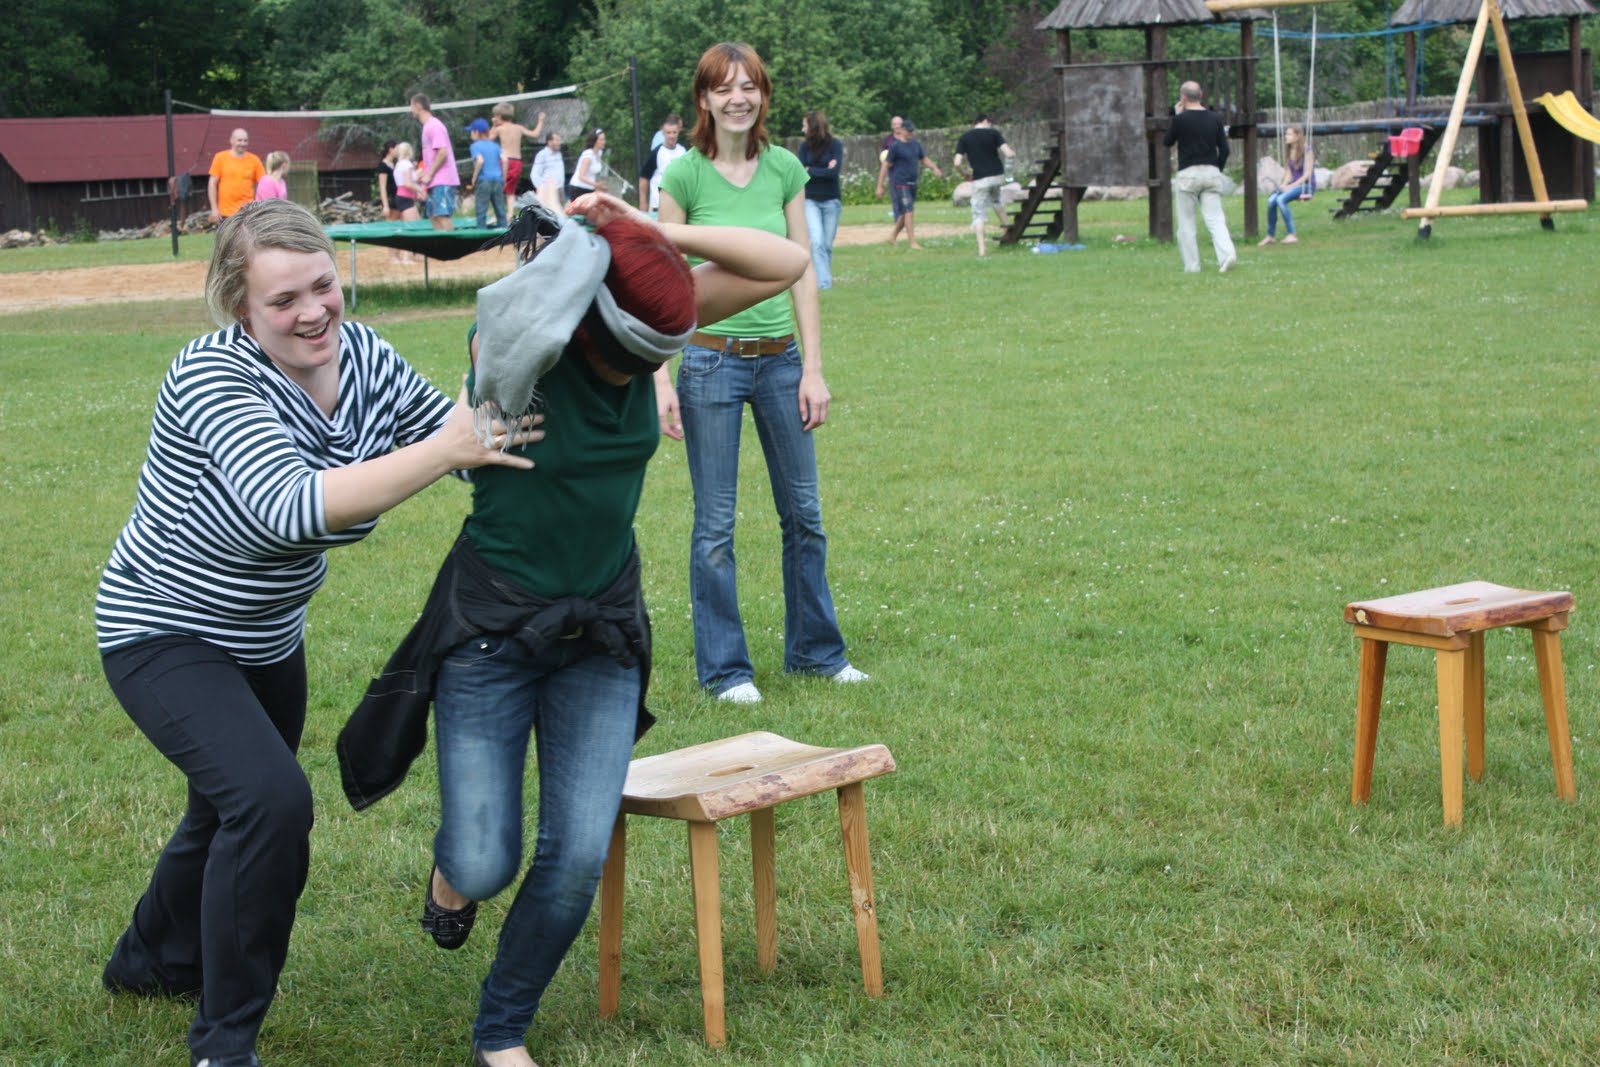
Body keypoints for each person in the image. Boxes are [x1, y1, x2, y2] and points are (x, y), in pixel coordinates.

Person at [336, 192, 809, 1067]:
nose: (647, 370)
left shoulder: (643, 313)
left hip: (601, 627)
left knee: (576, 853)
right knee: (484, 861)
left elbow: (785, 261)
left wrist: (645, 235)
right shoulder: (521, 351)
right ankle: (455, 873)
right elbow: (502, 326)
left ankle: (500, 1029)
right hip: (493, 628)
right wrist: (583, 254)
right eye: (636, 354)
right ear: (588, 320)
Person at [95, 199, 541, 1067]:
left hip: (267, 635)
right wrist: (451, 449)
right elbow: (292, 507)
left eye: (323, 286)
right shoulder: (210, 376)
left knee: (222, 809)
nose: (312, 313)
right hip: (162, 627)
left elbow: (457, 432)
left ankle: (148, 959)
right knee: (269, 802)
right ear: (241, 307)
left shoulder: (363, 354)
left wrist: (546, 400)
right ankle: (224, 1044)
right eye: (284, 300)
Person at [654, 41, 868, 703]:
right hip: (709, 363)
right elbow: (658, 286)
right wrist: (659, 379)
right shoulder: (683, 176)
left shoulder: (784, 169)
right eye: (724, 88)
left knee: (805, 515)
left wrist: (813, 369)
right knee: (715, 527)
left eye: (748, 86)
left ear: (763, 95)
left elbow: (802, 272)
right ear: (704, 99)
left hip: (781, 363)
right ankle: (727, 671)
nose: (737, 98)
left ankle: (817, 653)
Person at [1163, 81, 1238, 273]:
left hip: (1188, 174)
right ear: (1201, 95)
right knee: (1215, 219)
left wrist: (1175, 116)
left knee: (1186, 223)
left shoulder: (1180, 120)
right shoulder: (1215, 118)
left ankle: (1192, 266)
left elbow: (1167, 141)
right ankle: (1227, 255)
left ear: (1183, 97)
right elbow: (1225, 149)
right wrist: (1217, 168)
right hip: (1211, 172)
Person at [953, 113, 1017, 257]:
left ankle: (982, 250)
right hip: (997, 176)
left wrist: (964, 174)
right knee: (997, 202)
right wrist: (1012, 154)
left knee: (978, 213)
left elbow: (957, 163)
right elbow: (1009, 153)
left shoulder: (965, 138)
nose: (991, 125)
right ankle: (1008, 233)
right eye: (990, 123)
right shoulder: (994, 133)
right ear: (985, 121)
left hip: (980, 179)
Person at [875, 119, 943, 249]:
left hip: (912, 182)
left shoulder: (916, 144)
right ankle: (913, 243)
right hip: (900, 183)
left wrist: (934, 168)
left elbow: (924, 159)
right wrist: (880, 186)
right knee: (909, 211)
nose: (911, 133)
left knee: (905, 213)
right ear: (901, 130)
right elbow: (885, 166)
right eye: (908, 131)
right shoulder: (895, 147)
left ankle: (892, 236)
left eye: (912, 131)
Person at [797, 110, 844, 288]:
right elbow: (802, 173)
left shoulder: (835, 145)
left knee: (826, 245)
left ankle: (823, 276)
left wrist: (811, 170)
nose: (802, 129)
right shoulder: (804, 147)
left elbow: (834, 173)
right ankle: (824, 284)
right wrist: (823, 169)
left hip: (832, 200)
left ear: (813, 127)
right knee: (816, 241)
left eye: (804, 126)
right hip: (810, 200)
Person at [411, 93, 461, 231]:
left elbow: (443, 152)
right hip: (433, 181)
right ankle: (440, 245)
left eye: (411, 106)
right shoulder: (427, 127)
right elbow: (433, 156)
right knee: (433, 216)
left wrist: (429, 174)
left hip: (443, 180)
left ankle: (451, 244)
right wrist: (423, 173)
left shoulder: (434, 126)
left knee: (442, 216)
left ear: (418, 106)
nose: (411, 110)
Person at [1260, 126, 1314, 247]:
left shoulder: (1307, 150)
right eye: (1286, 134)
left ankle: (1292, 234)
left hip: (1306, 185)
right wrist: (1284, 185)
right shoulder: (1289, 150)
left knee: (1280, 200)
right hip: (1293, 184)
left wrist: (1291, 186)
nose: (1286, 136)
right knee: (1271, 201)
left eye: (1289, 134)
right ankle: (1270, 236)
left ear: (1297, 136)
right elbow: (1289, 173)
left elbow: (1307, 174)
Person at [489, 102, 545, 204]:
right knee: (511, 191)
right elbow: (535, 134)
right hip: (517, 162)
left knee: (499, 187)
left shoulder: (499, 128)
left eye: (495, 116)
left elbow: (488, 139)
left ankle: (499, 210)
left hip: (505, 161)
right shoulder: (519, 128)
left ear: (499, 117)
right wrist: (540, 121)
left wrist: (493, 125)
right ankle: (510, 211)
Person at [208, 127, 265, 222]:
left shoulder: (255, 160)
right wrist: (214, 209)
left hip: (247, 212)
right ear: (231, 140)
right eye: (239, 140)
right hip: (225, 213)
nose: (243, 143)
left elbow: (264, 183)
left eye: (245, 141)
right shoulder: (220, 158)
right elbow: (212, 184)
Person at [638, 114, 688, 212]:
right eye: (668, 133)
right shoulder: (656, 153)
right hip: (658, 206)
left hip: (678, 206)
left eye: (674, 132)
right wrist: (643, 203)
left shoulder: (683, 152)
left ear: (678, 132)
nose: (671, 136)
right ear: (663, 133)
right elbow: (644, 178)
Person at [467, 118, 508, 228]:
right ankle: (505, 231)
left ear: (476, 132)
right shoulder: (495, 146)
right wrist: (503, 178)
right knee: (500, 208)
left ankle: (481, 232)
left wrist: (474, 177)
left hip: (484, 180)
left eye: (471, 131)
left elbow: (480, 160)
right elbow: (505, 160)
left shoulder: (475, 146)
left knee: (481, 209)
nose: (471, 134)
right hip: (498, 180)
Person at [566, 129, 608, 201]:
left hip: (590, 188)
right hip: (578, 188)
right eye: (601, 140)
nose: (604, 142)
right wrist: (596, 184)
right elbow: (581, 176)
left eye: (604, 139)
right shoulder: (588, 155)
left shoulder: (599, 153)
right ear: (595, 141)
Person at [530, 131, 566, 211]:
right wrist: (542, 188)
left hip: (560, 189)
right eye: (557, 140)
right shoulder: (542, 155)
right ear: (549, 142)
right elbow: (534, 174)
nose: (559, 143)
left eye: (559, 140)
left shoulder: (559, 154)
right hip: (548, 191)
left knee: (561, 214)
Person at [392, 142, 423, 223]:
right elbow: (408, 184)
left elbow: (408, 179)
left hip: (404, 197)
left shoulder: (399, 164)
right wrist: (421, 190)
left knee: (416, 222)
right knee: (413, 226)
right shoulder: (407, 164)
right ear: (409, 152)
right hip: (405, 197)